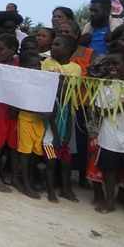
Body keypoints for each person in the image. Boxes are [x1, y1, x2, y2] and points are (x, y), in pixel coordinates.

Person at [41, 34, 83, 203]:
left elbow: (69, 88)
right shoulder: (47, 63)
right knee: (50, 159)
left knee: (66, 159)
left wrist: (59, 82)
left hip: (67, 111)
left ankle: (66, 189)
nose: (53, 47)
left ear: (70, 50)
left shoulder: (76, 68)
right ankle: (51, 190)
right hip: (49, 111)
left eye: (57, 44)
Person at [94, 51, 124, 213]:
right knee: (109, 170)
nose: (112, 67)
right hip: (110, 135)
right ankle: (109, 201)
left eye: (117, 64)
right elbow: (100, 111)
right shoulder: (105, 86)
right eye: (110, 64)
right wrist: (120, 107)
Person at [0, 34, 19, 192]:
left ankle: (15, 178)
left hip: (15, 108)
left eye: (1, 49)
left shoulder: (18, 64)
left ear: (13, 50)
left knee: (14, 145)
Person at [15, 52, 45, 199]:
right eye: (33, 66)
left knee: (35, 153)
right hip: (25, 119)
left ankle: (30, 180)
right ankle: (26, 185)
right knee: (25, 153)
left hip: (40, 121)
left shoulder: (44, 82)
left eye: (39, 65)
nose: (37, 68)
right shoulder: (22, 83)